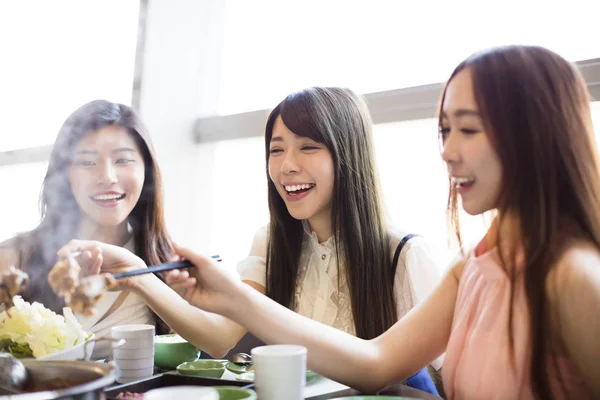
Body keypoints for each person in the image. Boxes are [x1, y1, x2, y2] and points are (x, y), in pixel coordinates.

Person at [165, 46, 600, 398]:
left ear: (537, 133)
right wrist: (233, 297)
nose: (447, 152)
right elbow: (374, 364)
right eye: (445, 132)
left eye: (467, 130)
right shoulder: (473, 264)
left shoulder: (574, 278)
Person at [63, 88, 441, 394]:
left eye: (308, 146)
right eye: (276, 149)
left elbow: (449, 383)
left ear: (348, 153)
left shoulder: (405, 255)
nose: (286, 165)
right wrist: (137, 274)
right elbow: (217, 338)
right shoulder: (272, 244)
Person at [0, 100, 174, 357]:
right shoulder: (13, 258)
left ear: (146, 171)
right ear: (64, 173)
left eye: (123, 159)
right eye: (87, 162)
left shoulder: (169, 266)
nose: (107, 177)